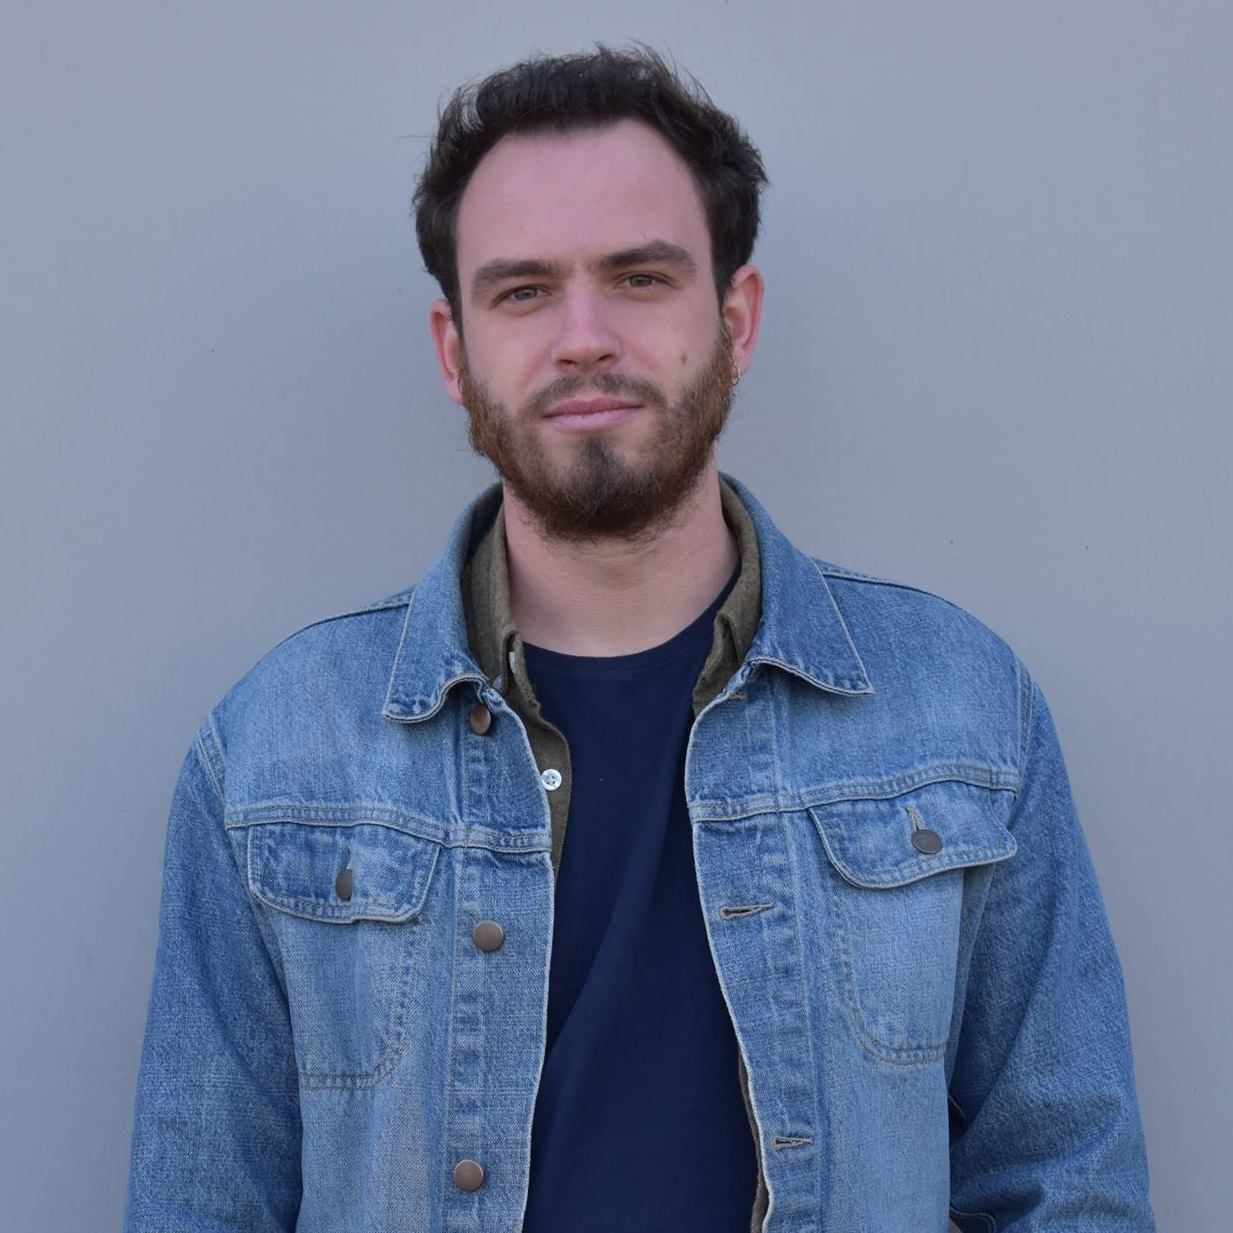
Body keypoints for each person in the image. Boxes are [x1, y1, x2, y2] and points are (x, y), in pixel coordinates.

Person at [125, 46, 1155, 1233]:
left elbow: (1067, 1186)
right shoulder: (274, 754)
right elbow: (198, 1208)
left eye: (639, 277)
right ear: (455, 351)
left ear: (735, 319)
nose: (584, 336)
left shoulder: (960, 711)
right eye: (523, 291)